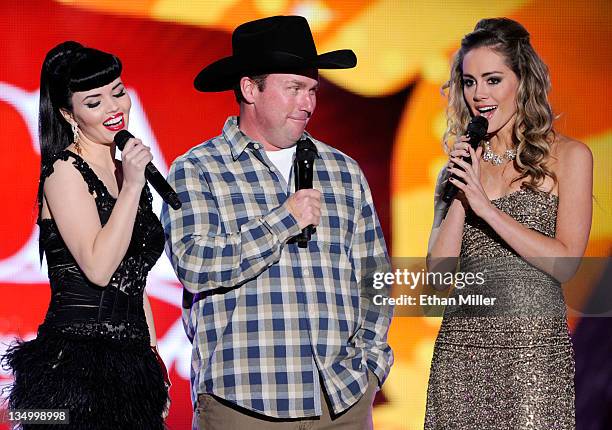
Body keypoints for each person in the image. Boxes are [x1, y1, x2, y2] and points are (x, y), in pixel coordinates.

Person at [161, 15, 393, 430]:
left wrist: (370, 366)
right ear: (250, 88)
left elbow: (375, 277)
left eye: (312, 91)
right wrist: (282, 221)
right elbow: (194, 264)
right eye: (294, 89)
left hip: (340, 401)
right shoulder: (198, 169)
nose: (308, 104)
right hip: (245, 402)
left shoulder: (342, 170)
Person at [424, 18, 592, 429]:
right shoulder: (457, 173)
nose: (479, 94)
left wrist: (489, 209)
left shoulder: (569, 157)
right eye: (469, 82)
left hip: (533, 357)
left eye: (493, 79)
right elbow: (437, 280)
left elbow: (567, 263)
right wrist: (465, 191)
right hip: (460, 358)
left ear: (522, 81)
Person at [2, 41, 170, 429]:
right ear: (68, 113)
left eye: (119, 93)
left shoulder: (127, 173)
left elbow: (133, 279)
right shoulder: (64, 173)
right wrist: (131, 187)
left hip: (131, 365)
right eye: (94, 102)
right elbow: (98, 267)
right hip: (72, 371)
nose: (114, 109)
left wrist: (153, 360)